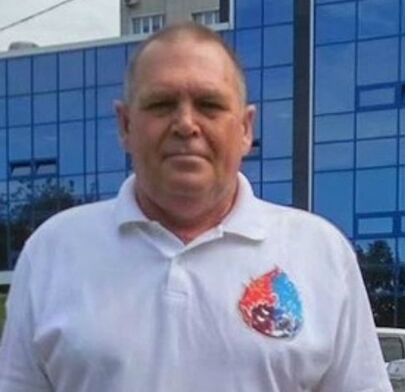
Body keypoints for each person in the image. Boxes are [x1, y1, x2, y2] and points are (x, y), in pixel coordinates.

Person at [0, 22, 392, 392]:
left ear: (245, 128)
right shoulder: (54, 251)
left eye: (209, 104)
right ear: (125, 125)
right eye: (161, 104)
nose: (186, 124)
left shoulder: (320, 253)